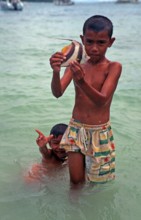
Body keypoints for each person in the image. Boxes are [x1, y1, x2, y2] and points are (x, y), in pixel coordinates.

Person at [49, 15, 122, 184]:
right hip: (75, 128)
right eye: (89, 42)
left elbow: (101, 100)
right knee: (75, 182)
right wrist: (55, 71)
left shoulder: (113, 67)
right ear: (82, 40)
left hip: (99, 132)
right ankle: (74, 209)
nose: (94, 48)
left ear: (110, 42)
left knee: (97, 184)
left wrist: (81, 81)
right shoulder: (77, 64)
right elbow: (57, 92)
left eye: (101, 43)